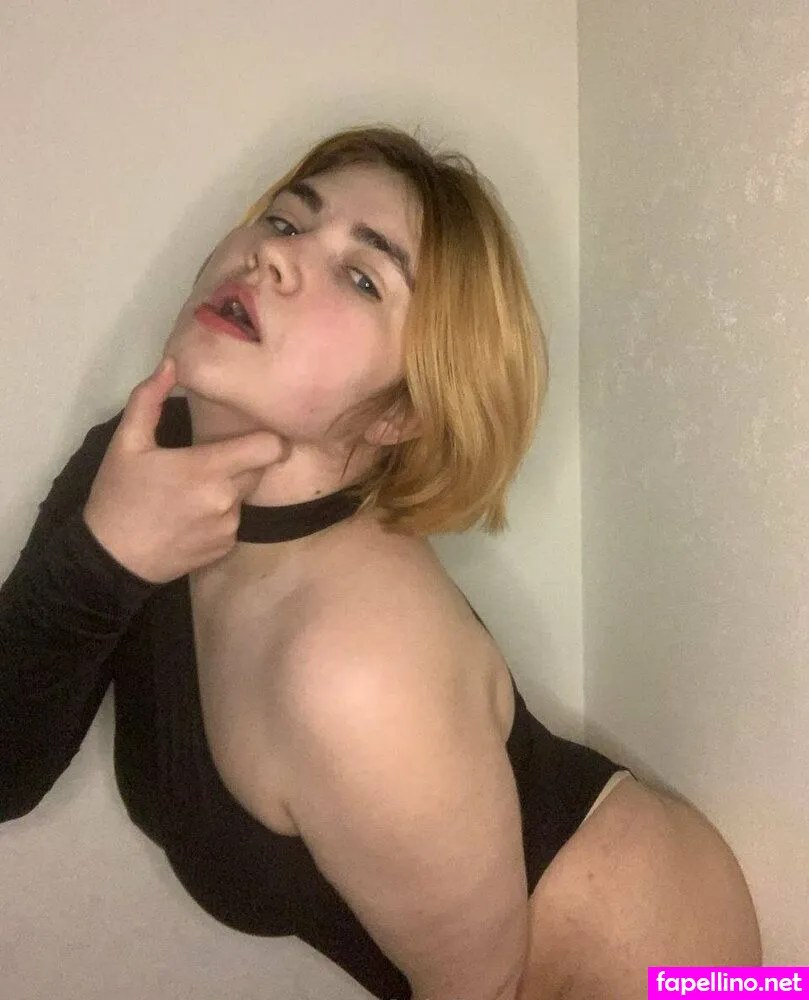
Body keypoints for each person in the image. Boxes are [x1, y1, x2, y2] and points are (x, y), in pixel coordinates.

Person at [0, 125, 761, 1000]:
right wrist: (103, 561)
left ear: (401, 411)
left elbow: (482, 989)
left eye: (362, 276)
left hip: (671, 971)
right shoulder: (130, 468)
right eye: (286, 221)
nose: (273, 257)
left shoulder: (353, 666)